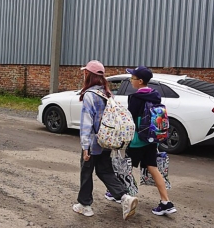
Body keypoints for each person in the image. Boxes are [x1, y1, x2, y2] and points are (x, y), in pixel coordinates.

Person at [73, 60, 138, 220]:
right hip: (107, 141)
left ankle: (85, 205)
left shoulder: (89, 95)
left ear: (87, 74)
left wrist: (85, 147)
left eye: (85, 72)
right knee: (105, 171)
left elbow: (87, 124)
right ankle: (125, 197)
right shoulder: (107, 93)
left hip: (94, 143)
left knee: (86, 172)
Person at [124, 66, 177, 216]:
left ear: (140, 81)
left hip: (138, 139)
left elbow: (130, 119)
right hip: (152, 138)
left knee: (125, 166)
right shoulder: (155, 95)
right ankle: (166, 202)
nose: (131, 81)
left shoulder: (135, 98)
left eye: (132, 78)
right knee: (152, 167)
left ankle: (119, 194)